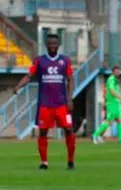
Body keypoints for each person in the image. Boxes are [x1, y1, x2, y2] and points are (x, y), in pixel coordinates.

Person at [12, 33, 76, 170]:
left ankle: (70, 161)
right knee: (43, 132)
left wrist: (70, 98)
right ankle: (44, 162)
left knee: (69, 130)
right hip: (45, 104)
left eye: (54, 44)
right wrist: (18, 86)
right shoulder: (39, 60)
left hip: (62, 103)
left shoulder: (65, 61)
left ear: (58, 45)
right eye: (50, 43)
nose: (52, 46)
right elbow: (29, 76)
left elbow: (70, 79)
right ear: (46, 45)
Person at [92, 65, 121, 145]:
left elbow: (109, 91)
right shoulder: (111, 79)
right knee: (109, 122)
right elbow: (112, 91)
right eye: (116, 71)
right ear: (113, 72)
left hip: (116, 103)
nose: (118, 72)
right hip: (112, 103)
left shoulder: (115, 80)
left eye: (119, 71)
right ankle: (95, 135)